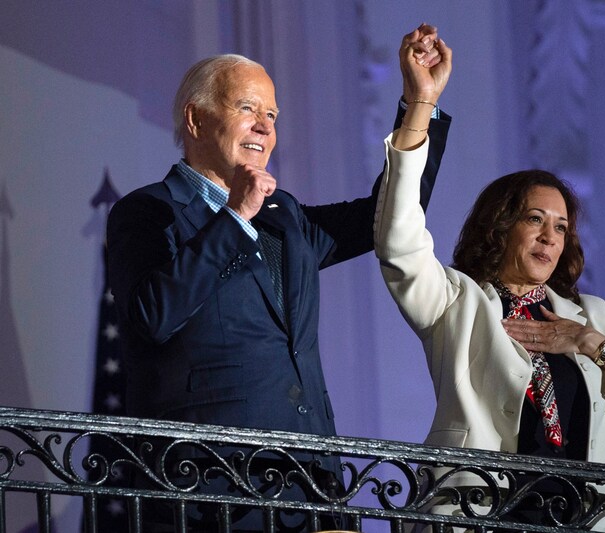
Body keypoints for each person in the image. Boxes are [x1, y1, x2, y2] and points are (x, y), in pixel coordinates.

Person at [107, 25, 450, 531]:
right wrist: (235, 218)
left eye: (272, 115)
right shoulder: (148, 212)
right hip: (210, 494)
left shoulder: (284, 216)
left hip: (312, 488)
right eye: (248, 108)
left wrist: (419, 104)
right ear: (196, 119)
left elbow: (388, 217)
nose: (265, 127)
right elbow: (153, 316)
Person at [374, 42, 605, 532]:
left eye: (562, 227)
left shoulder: (595, 317)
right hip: (479, 519)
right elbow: (399, 240)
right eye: (535, 219)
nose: (550, 236)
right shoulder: (457, 302)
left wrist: (591, 345)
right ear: (502, 227)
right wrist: (421, 104)